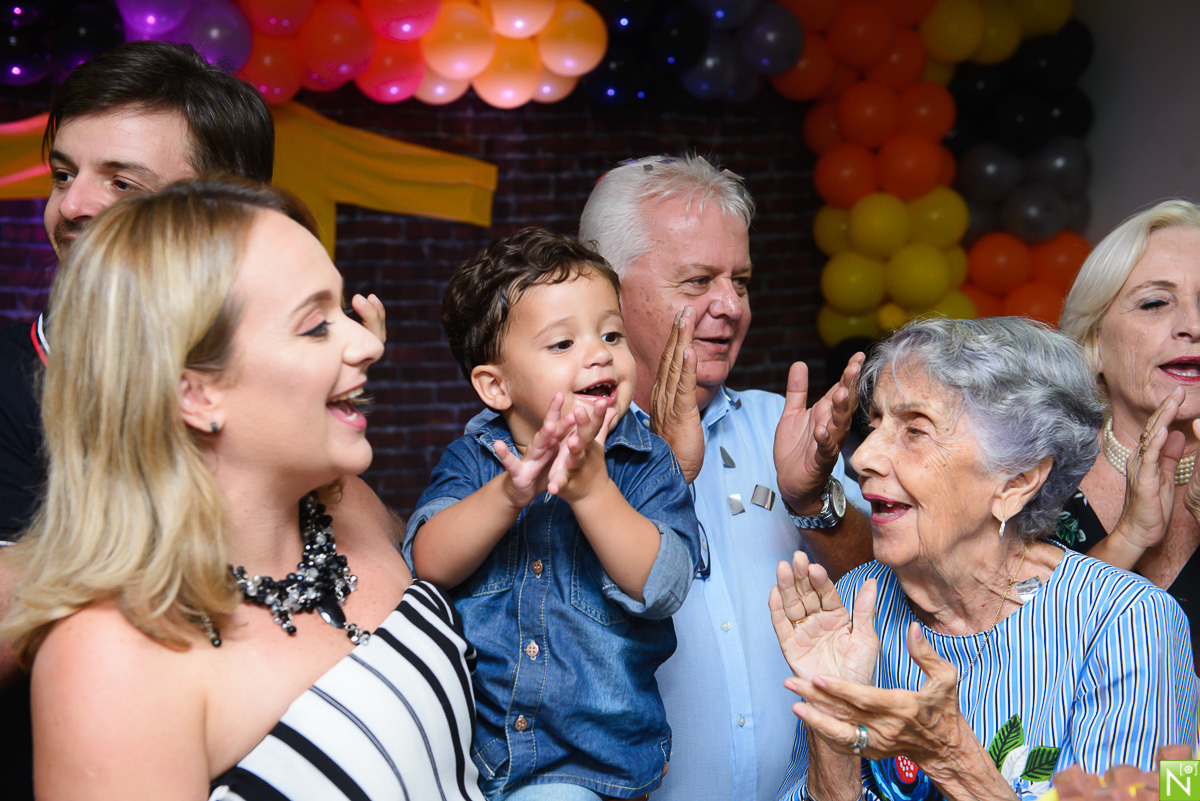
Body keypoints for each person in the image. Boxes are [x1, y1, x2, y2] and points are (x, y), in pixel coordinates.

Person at [0, 178, 484, 800]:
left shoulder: (350, 506)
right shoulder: (109, 661)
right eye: (315, 326)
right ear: (196, 393)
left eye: (343, 311)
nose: (368, 342)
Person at [772, 317, 1196, 801]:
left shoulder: (1131, 624)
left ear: (1016, 482)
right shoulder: (854, 604)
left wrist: (956, 763)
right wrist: (832, 727)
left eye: (915, 430)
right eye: (875, 425)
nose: (862, 457)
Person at [577, 154, 874, 801]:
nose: (731, 305)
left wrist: (814, 502)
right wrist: (661, 472)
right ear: (606, 292)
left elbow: (880, 592)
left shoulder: (781, 428)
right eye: (697, 281)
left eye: (740, 281)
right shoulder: (558, 455)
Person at [404, 228, 701, 799]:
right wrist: (506, 495)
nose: (599, 353)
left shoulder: (644, 463)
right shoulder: (473, 461)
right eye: (562, 343)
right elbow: (428, 564)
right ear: (496, 386)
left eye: (611, 334)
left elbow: (665, 586)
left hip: (592, 765)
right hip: (471, 762)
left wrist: (593, 493)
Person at [1058, 198, 1200, 675]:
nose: (1193, 326)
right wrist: (1129, 538)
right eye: (1155, 303)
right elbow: (1018, 668)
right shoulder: (1029, 481)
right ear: (1095, 344)